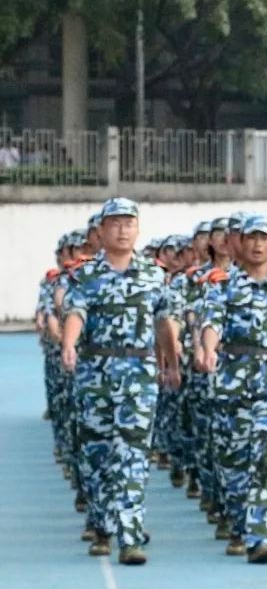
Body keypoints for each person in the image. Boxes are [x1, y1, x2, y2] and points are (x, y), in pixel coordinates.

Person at [60, 197, 180, 565]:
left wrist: (172, 363)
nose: (122, 230)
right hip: (95, 373)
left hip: (138, 375)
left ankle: (130, 536)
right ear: (101, 231)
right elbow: (76, 312)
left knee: (133, 454)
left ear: (138, 229)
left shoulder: (153, 275)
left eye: (129, 223)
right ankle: (102, 525)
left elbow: (164, 321)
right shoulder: (85, 275)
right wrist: (69, 344)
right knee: (96, 454)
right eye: (115, 223)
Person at [198, 214, 267, 564]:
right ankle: (239, 522)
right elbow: (211, 322)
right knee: (232, 462)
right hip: (230, 382)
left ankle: (260, 534)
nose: (258, 245)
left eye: (264, 238)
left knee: (266, 456)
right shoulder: (221, 285)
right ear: (240, 242)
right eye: (252, 238)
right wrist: (209, 349)